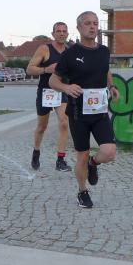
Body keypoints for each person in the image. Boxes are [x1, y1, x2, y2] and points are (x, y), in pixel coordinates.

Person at [49, 11, 119, 208]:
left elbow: (105, 70)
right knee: (82, 154)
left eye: (95, 23)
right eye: (88, 23)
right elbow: (53, 81)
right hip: (78, 113)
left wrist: (112, 86)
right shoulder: (70, 54)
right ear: (79, 27)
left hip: (100, 111)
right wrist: (66, 88)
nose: (92, 27)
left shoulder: (104, 51)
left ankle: (93, 164)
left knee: (109, 151)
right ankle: (82, 191)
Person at [26, 22, 72, 172]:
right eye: (58, 31)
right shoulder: (44, 49)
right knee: (42, 127)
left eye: (64, 31)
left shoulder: (70, 51)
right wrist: (46, 69)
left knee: (64, 122)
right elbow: (29, 69)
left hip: (61, 90)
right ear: (53, 34)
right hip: (46, 92)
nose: (61, 33)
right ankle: (36, 151)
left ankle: (60, 160)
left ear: (67, 34)